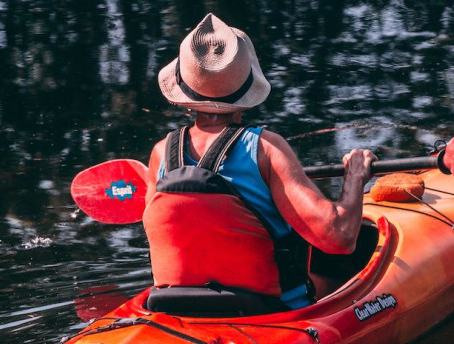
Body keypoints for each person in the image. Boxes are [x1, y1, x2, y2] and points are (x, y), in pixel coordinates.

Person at [142, 13, 375, 313]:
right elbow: (339, 238)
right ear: (246, 85)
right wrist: (355, 177)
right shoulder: (265, 148)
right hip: (269, 311)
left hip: (176, 309)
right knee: (341, 273)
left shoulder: (161, 154)